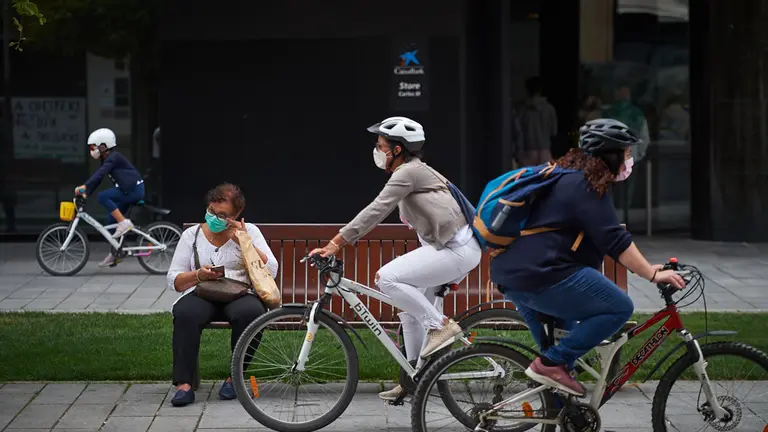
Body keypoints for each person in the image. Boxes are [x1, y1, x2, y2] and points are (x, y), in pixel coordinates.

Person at [490, 118, 685, 397]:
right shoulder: (585, 186)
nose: (630, 161)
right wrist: (652, 274)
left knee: (559, 374)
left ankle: (560, 408)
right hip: (542, 274)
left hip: (515, 275)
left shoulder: (564, 176)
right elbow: (613, 239)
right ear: (610, 156)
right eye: (627, 154)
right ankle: (550, 364)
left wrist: (643, 266)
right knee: (618, 307)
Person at [308, 116, 482, 401]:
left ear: (397, 150)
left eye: (380, 145)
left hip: (456, 250)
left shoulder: (408, 173)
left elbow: (377, 209)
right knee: (409, 314)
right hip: (449, 250)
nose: (376, 151)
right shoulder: (410, 174)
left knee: (386, 278)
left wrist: (335, 243)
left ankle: (440, 326)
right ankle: (414, 378)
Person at [166, 183, 278, 407]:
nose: (214, 217)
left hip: (239, 292)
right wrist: (198, 274)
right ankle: (184, 385)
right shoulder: (192, 235)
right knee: (185, 312)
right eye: (211, 211)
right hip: (203, 291)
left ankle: (233, 377)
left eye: (222, 215)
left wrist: (244, 242)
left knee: (252, 312)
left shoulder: (249, 232)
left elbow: (272, 270)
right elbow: (174, 280)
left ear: (236, 215)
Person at [75, 128, 145, 267]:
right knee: (109, 223)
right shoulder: (108, 159)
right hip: (127, 190)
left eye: (93, 147)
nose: (92, 150)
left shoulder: (114, 157)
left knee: (103, 196)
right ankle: (117, 252)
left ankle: (124, 223)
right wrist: (86, 192)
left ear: (103, 146)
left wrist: (84, 186)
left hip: (133, 190)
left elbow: (100, 174)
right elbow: (99, 179)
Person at [518, 76, 558, 166]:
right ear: (540, 90)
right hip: (545, 151)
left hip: (528, 150)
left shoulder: (523, 109)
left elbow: (518, 131)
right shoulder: (549, 108)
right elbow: (553, 131)